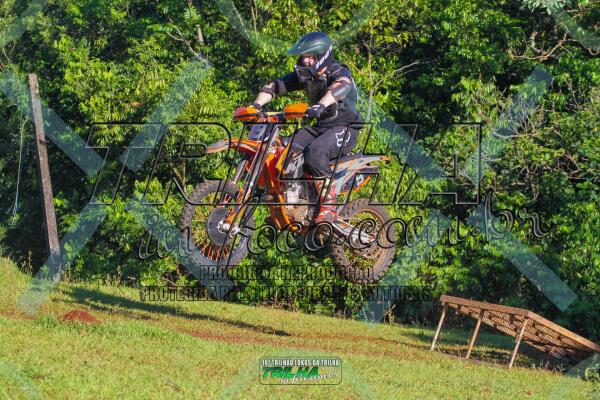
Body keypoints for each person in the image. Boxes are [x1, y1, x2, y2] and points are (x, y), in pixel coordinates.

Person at [251, 31, 361, 224]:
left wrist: (321, 105)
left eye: (310, 57)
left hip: (346, 128)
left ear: (322, 55)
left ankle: (329, 205)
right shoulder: (304, 76)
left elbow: (342, 86)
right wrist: (256, 106)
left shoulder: (338, 71)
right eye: (303, 57)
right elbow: (275, 86)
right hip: (320, 127)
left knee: (315, 152)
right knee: (283, 150)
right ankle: (291, 203)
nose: (305, 61)